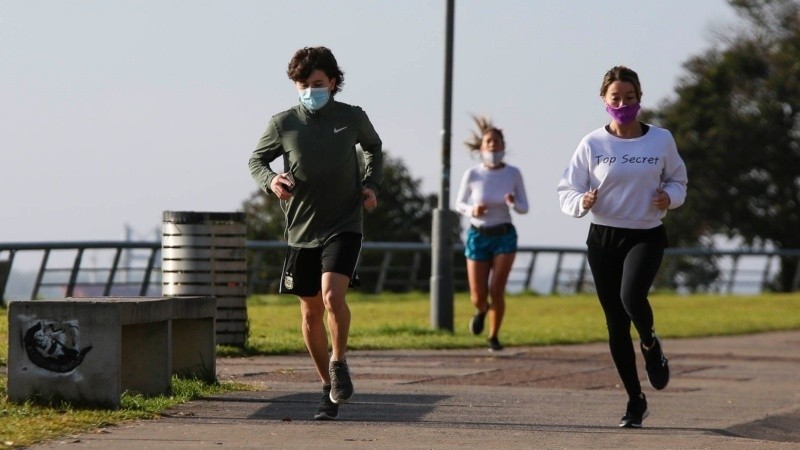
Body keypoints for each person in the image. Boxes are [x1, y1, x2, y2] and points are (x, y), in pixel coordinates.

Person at [248, 46, 383, 421]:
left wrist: (372, 184)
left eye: (318, 83)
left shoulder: (352, 118)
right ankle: (327, 385)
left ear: (333, 82)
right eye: (303, 84)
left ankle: (339, 362)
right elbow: (256, 160)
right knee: (309, 313)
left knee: (330, 295)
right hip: (301, 228)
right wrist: (272, 179)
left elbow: (374, 148)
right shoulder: (283, 123)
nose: (310, 90)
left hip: (345, 222)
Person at [557, 66, 688, 428]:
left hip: (645, 233)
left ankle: (650, 343)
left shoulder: (660, 140)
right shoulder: (592, 143)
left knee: (632, 298)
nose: (623, 104)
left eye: (629, 98)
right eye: (616, 98)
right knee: (615, 324)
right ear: (604, 101)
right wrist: (582, 202)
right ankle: (635, 401)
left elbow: (679, 180)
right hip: (604, 237)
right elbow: (567, 189)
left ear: (639, 99)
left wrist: (670, 198)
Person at [455, 115, 529, 351]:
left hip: (504, 236)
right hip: (478, 235)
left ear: (503, 146)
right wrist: (472, 209)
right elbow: (459, 204)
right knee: (478, 294)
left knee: (497, 289)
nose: (493, 146)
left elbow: (524, 208)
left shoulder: (513, 173)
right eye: (488, 142)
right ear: (481, 147)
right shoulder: (473, 174)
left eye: (497, 142)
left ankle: (493, 336)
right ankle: (480, 309)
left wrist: (513, 202)